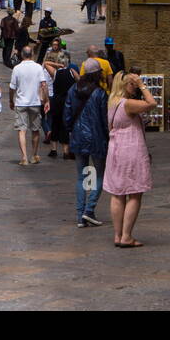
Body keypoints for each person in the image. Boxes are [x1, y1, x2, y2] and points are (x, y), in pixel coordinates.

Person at [103, 71, 156, 247]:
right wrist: (142, 85)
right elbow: (152, 103)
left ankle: (118, 235)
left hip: (115, 149)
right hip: (130, 150)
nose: (135, 87)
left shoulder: (112, 102)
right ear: (125, 85)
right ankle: (126, 236)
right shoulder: (128, 104)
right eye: (132, 84)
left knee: (117, 193)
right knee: (135, 193)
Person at [63, 61, 109, 227]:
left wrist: (70, 131)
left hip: (78, 136)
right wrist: (108, 136)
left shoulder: (73, 90)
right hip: (96, 138)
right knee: (99, 175)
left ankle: (80, 215)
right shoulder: (100, 93)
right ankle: (89, 210)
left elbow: (67, 113)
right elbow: (105, 119)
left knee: (82, 177)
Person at [8, 46, 49, 166]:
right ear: (32, 54)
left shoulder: (17, 68)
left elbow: (12, 87)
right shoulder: (38, 67)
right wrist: (46, 100)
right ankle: (34, 155)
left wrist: (11, 100)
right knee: (35, 130)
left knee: (22, 130)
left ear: (22, 55)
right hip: (35, 102)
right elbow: (43, 85)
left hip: (21, 103)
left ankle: (24, 157)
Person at [48, 51, 78, 159]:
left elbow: (46, 63)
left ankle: (53, 149)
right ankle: (66, 151)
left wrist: (57, 65)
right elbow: (79, 81)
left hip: (56, 101)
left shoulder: (56, 73)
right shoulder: (72, 72)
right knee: (66, 125)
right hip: (68, 101)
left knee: (55, 124)